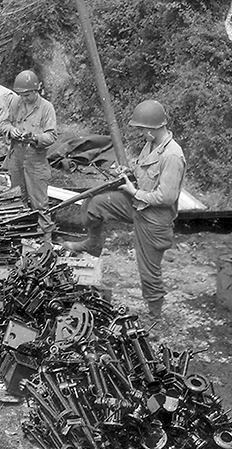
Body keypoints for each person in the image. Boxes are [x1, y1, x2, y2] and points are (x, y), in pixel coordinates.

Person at [63, 100, 186, 319]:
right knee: (94, 203)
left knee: (148, 271)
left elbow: (166, 197)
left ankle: (154, 314)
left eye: (141, 129)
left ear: (152, 128)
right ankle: (93, 243)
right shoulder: (152, 144)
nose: (139, 133)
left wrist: (133, 191)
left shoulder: (172, 155)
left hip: (155, 217)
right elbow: (142, 171)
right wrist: (127, 170)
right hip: (137, 205)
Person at [0, 70, 57, 242]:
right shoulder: (15, 103)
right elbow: (3, 123)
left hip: (36, 159)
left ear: (37, 90)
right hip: (16, 156)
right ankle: (21, 235)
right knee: (17, 197)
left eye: (27, 95)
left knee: (40, 202)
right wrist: (12, 130)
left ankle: (46, 238)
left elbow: (51, 136)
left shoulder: (46, 108)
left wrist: (34, 137)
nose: (24, 98)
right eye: (21, 94)